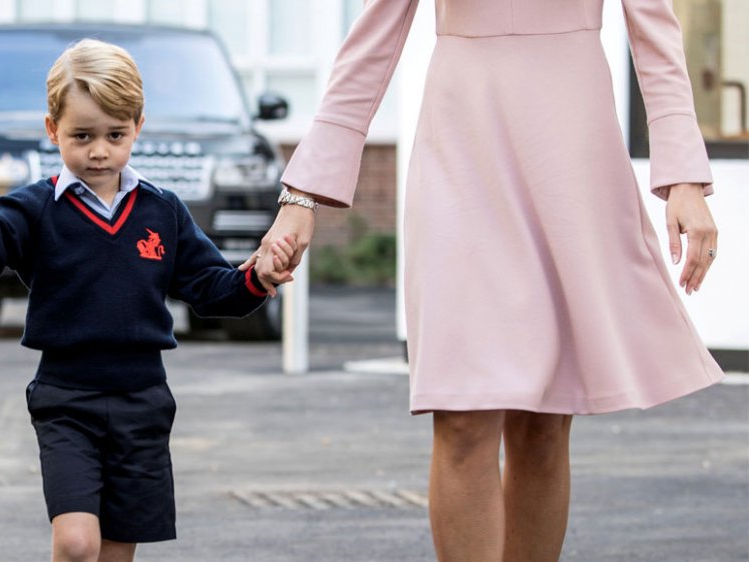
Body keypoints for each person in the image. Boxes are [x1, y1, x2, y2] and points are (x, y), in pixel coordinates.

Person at [247, 1, 725, 560]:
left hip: (570, 149)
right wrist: (303, 196)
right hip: (462, 148)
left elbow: (656, 34)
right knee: (462, 413)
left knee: (544, 423)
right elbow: (373, 39)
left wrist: (685, 175)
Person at [0, 39, 296, 562]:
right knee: (77, 545)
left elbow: (213, 289)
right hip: (65, 402)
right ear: (52, 129)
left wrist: (257, 274)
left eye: (115, 135)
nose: (99, 150)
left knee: (116, 554)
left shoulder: (163, 212)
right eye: (82, 136)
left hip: (142, 404)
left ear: (137, 127)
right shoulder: (35, 209)